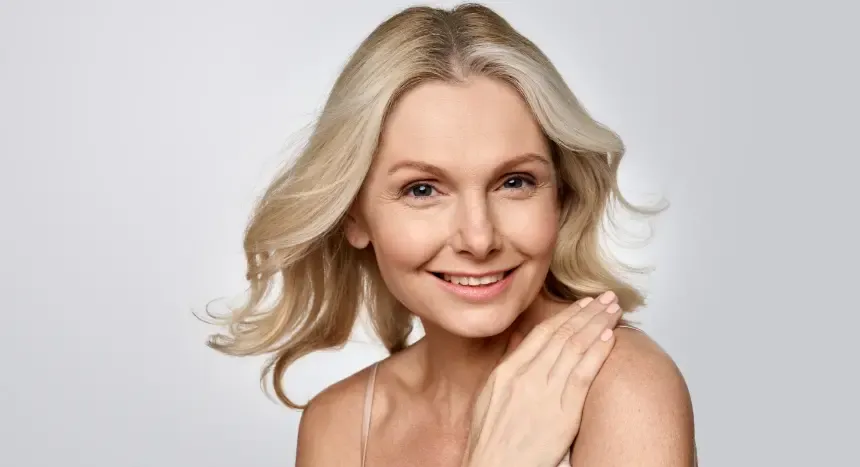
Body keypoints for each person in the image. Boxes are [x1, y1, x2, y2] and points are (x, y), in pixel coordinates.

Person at [205, 3, 696, 466]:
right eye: (423, 189)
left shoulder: (623, 385)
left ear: (560, 194)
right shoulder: (338, 424)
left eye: (515, 182)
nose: (479, 239)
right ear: (353, 216)